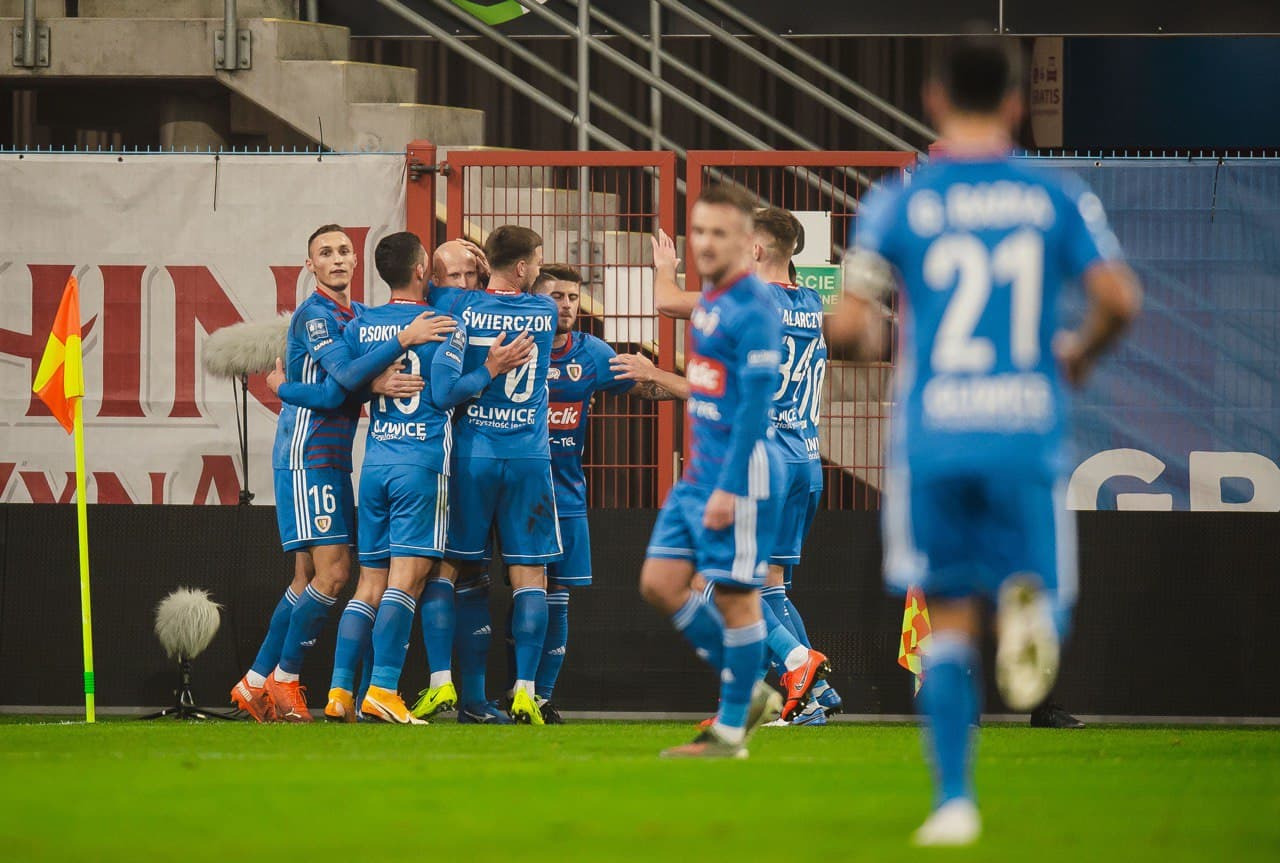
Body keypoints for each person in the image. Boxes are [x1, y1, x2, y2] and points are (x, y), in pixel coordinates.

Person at [829, 34, 1141, 845]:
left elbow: (852, 328)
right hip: (1023, 428)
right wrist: (1077, 353)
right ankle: (1032, 605)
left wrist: (866, 333)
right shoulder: (1054, 194)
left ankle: (954, 803)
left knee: (948, 621)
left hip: (934, 434)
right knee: (1033, 584)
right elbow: (1119, 298)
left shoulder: (900, 201)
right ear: (1014, 104)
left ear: (933, 98)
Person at [270, 232, 534, 723]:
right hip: (421, 465)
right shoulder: (442, 324)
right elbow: (446, 393)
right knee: (406, 582)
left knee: (367, 584)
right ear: (421, 272)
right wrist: (490, 369)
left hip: (375, 466)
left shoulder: (361, 323)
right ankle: (383, 690)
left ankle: (339, 693)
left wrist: (286, 386)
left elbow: (344, 383)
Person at [229, 224, 451, 723]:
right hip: (307, 454)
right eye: (325, 253)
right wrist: (400, 344)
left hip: (333, 457)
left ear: (356, 260)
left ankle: (256, 681)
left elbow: (347, 386)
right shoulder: (316, 316)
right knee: (333, 575)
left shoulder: (355, 316)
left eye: (344, 250)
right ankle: (284, 678)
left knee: (308, 576)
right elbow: (340, 386)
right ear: (310, 266)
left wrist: (370, 381)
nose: (336, 259)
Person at [650, 210, 833, 724]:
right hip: (806, 459)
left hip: (762, 458)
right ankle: (815, 696)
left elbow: (667, 302)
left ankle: (796, 664)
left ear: (755, 250)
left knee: (709, 577)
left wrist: (664, 267)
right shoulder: (811, 302)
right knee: (770, 585)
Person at [639, 185, 788, 758]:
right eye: (698, 231)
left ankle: (730, 731)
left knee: (736, 598)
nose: (704, 243)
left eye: (718, 233)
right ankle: (748, 688)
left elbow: (754, 407)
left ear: (747, 243)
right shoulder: (711, 300)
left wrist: (728, 487)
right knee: (659, 583)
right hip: (698, 476)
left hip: (739, 474)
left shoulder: (755, 308)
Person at [502, 264, 688, 723]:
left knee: (558, 595)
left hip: (566, 496)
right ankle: (505, 690)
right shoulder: (511, 346)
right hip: (512, 493)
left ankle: (539, 697)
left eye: (572, 297)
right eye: (556, 296)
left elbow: (645, 388)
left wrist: (675, 382)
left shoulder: (591, 353)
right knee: (517, 590)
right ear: (535, 299)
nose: (566, 305)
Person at [412, 225, 561, 726]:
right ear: (521, 267)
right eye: (535, 261)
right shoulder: (545, 311)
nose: (538, 270)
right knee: (531, 576)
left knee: (449, 569)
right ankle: (525, 692)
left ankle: (440, 681)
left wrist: (472, 270)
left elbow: (435, 291)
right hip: (528, 460)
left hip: (472, 456)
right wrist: (487, 265)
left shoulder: (460, 307)